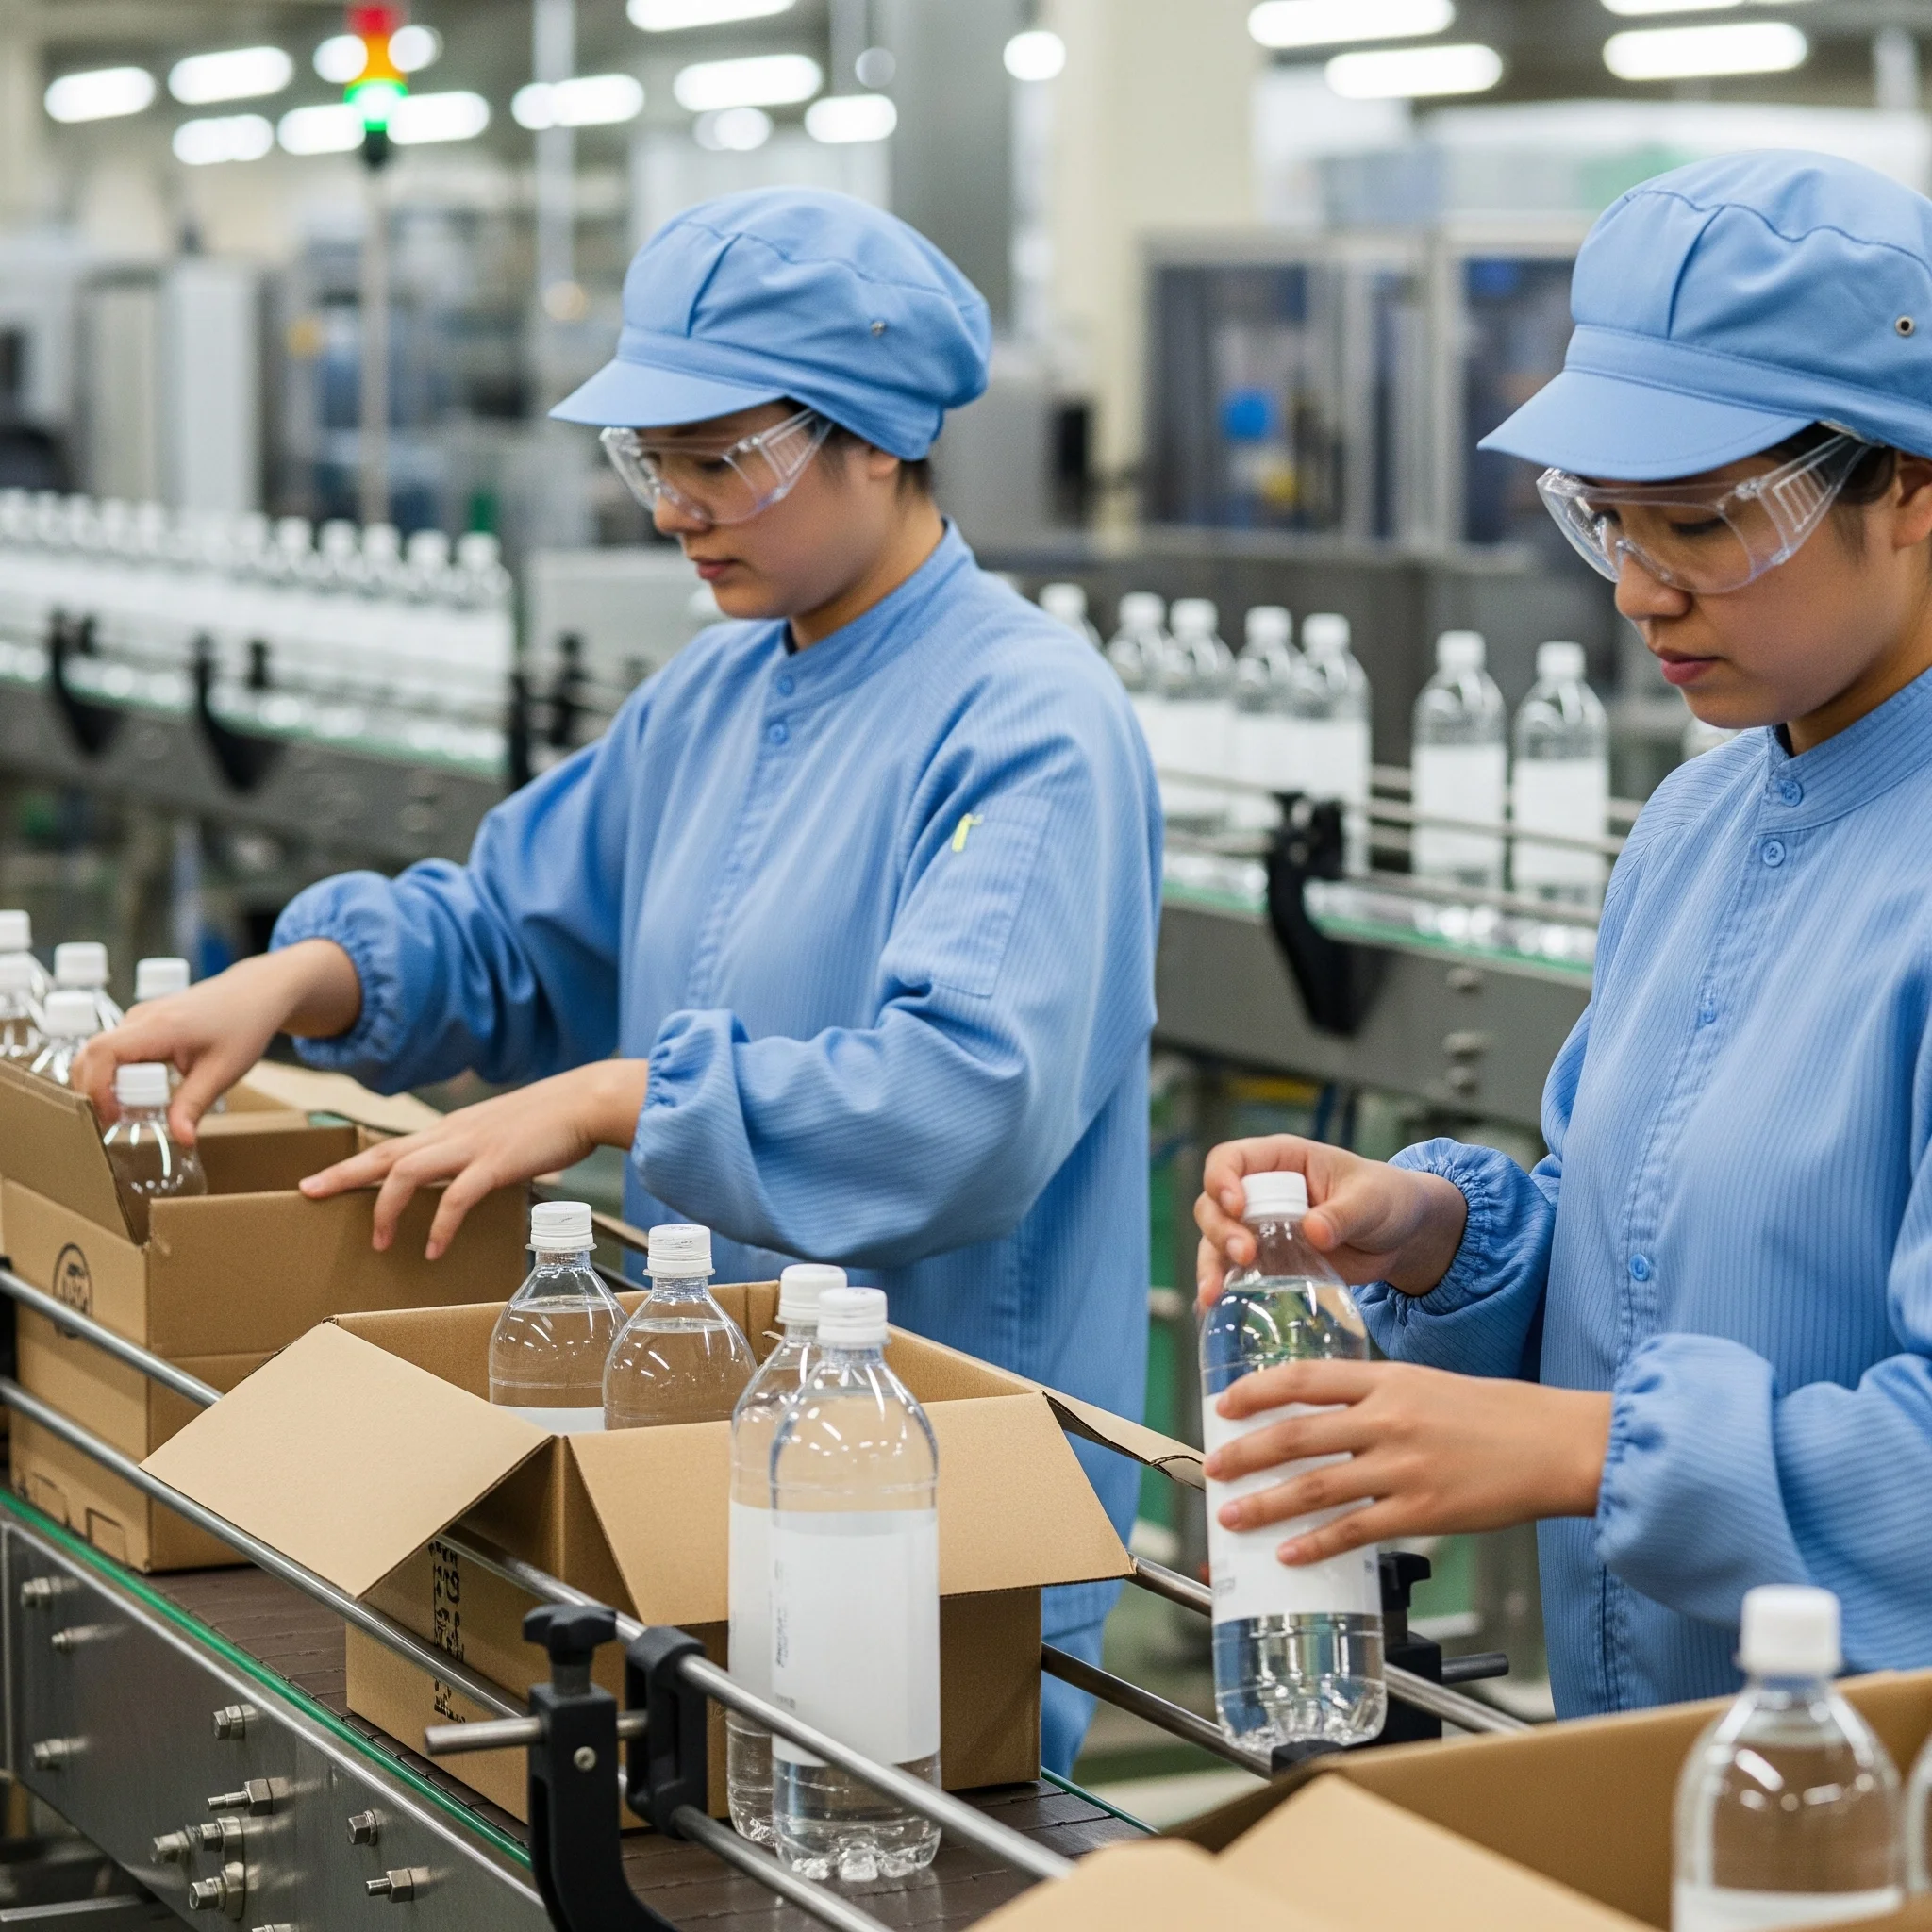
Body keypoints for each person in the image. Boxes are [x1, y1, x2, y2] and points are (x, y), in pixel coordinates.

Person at [78, 189, 1161, 1771]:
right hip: (688, 1475)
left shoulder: (1025, 723)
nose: (674, 510)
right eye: (652, 461)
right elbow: (520, 934)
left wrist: (615, 1094)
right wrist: (300, 978)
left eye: (722, 461)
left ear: (878, 437)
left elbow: (961, 1107)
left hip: (923, 1516)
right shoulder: (715, 692)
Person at [1192, 151, 1932, 1718]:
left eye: (1704, 527)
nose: (1641, 596)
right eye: (1610, 525)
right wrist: (1436, 1232)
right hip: (1643, 1739)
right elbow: (1642, 1252)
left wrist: (1584, 1446)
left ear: (1914, 491)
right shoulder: (1693, 824)